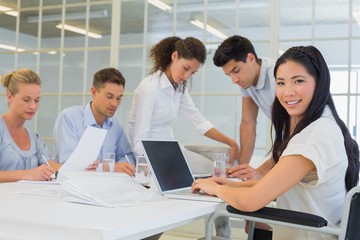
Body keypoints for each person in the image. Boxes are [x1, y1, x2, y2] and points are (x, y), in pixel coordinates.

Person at [192, 45, 360, 240]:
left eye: (298, 81)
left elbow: (249, 202)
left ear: (319, 82)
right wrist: (230, 185)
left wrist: (215, 188)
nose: (287, 92)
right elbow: (280, 184)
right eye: (280, 83)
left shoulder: (312, 138)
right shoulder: (327, 125)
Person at [128, 36, 240, 175]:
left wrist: (231, 142)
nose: (186, 76)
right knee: (217, 169)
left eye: (192, 72)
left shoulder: (179, 88)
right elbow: (138, 142)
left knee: (231, 158)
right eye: (185, 68)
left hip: (172, 148)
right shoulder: (149, 88)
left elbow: (199, 122)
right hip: (158, 155)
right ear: (174, 56)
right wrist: (155, 165)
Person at [213, 35, 276, 180]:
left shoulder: (277, 78)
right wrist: (240, 172)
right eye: (229, 75)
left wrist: (259, 172)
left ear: (251, 58)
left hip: (308, 141)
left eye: (236, 70)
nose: (234, 80)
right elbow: (248, 123)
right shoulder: (247, 81)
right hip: (290, 143)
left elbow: (294, 133)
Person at [53, 67, 135, 176]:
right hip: (75, 188)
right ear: (93, 92)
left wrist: (120, 167)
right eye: (109, 96)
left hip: (107, 187)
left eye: (119, 98)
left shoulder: (115, 122)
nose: (115, 104)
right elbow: (69, 166)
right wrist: (110, 167)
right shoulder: (69, 118)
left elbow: (127, 157)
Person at [0, 69, 60, 182]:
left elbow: (52, 166)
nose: (33, 106)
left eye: (37, 100)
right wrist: (27, 174)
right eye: (26, 100)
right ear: (9, 96)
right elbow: (30, 174)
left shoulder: (34, 138)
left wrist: (82, 170)